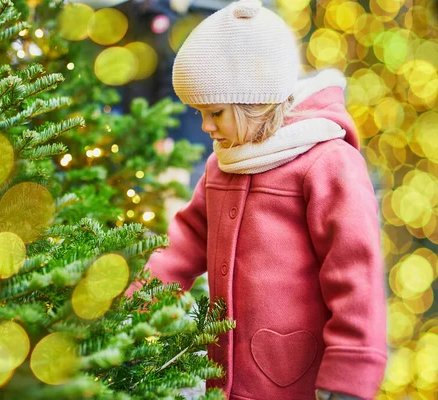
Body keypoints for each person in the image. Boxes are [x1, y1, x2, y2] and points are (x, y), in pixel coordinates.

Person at [124, 0, 388, 399]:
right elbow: (185, 242)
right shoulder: (222, 164)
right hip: (225, 376)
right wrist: (135, 307)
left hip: (295, 379)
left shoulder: (326, 163)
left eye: (214, 112)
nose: (205, 127)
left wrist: (350, 369)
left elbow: (355, 270)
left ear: (255, 100)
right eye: (198, 113)